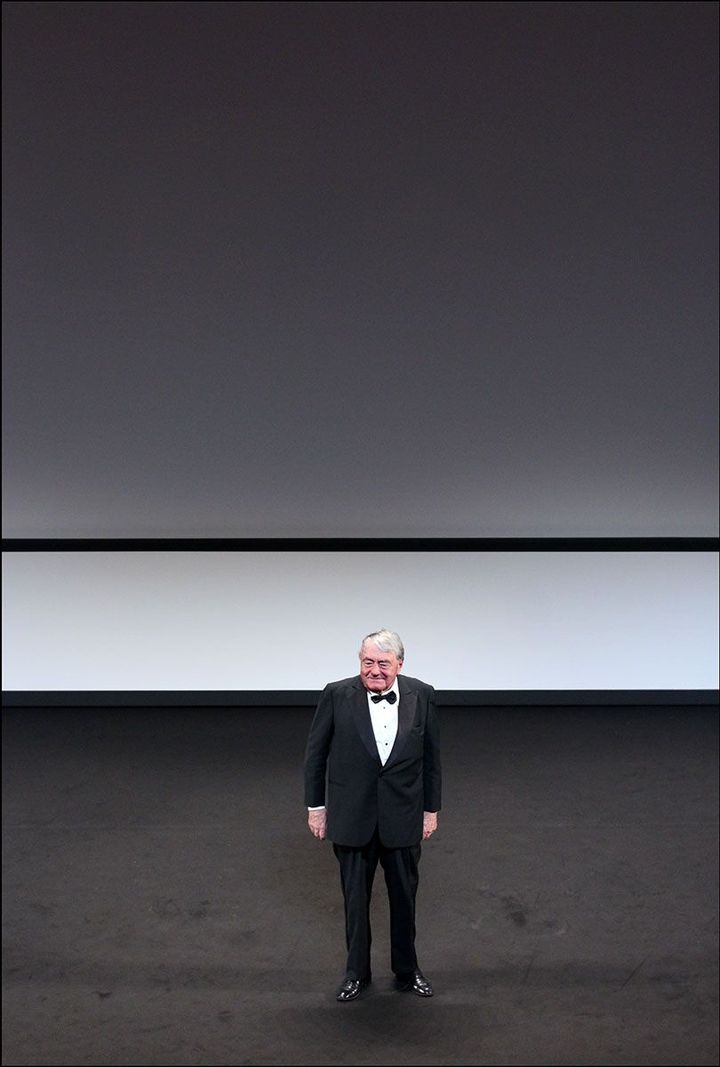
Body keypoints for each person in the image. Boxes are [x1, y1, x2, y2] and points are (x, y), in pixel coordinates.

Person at [304, 629, 441, 1001]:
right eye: (368, 662)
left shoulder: (422, 694)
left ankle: (407, 971)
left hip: (403, 817)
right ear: (359, 662)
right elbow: (315, 756)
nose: (375, 671)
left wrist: (431, 810)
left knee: (404, 900)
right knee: (355, 902)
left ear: (400, 663)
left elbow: (431, 759)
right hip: (352, 818)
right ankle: (356, 974)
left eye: (383, 663)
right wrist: (316, 808)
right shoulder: (336, 694)